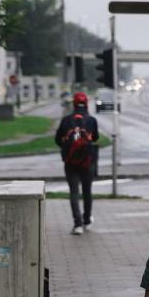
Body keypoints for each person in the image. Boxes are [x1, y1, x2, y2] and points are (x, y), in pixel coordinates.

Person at [55, 92, 99, 235]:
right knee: (87, 191)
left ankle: (77, 225)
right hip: (88, 161)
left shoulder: (66, 120)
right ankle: (87, 221)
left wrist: (68, 147)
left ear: (73, 104)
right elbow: (95, 138)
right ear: (86, 104)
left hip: (70, 162)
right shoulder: (91, 120)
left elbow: (57, 139)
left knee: (74, 192)